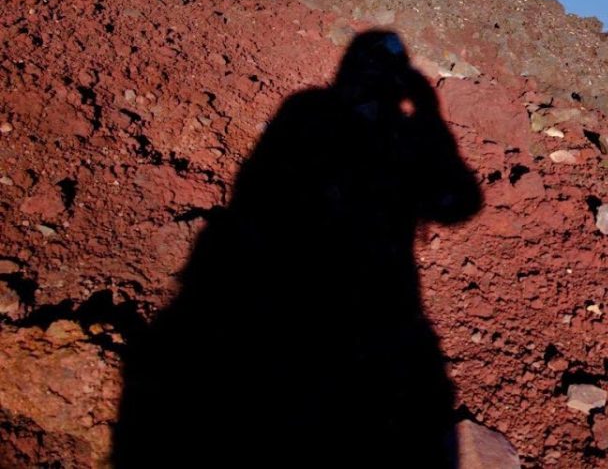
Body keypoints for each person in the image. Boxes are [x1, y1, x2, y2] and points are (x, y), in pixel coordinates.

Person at [114, 31, 481, 467]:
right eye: (371, 71)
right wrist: (428, 119)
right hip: (330, 300)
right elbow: (458, 203)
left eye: (378, 73)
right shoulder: (335, 121)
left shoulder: (332, 119)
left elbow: (458, 204)